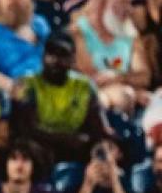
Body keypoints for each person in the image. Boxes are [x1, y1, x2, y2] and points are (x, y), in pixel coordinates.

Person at [14, 31, 109, 165]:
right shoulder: (27, 84)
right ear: (43, 56)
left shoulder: (85, 86)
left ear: (73, 60)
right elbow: (27, 129)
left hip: (77, 149)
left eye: (62, 55)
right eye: (50, 54)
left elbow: (99, 129)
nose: (55, 60)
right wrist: (67, 139)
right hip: (40, 149)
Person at [73, 0, 149, 115]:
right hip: (92, 102)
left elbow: (144, 76)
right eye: (122, 2)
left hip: (129, 98)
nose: (130, 9)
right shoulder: (79, 32)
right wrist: (131, 89)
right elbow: (91, 78)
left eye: (130, 2)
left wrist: (120, 78)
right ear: (100, 3)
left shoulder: (130, 32)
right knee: (122, 97)